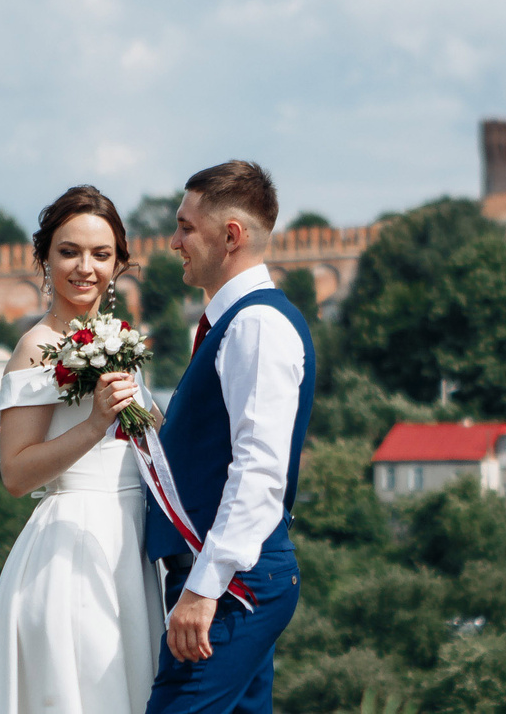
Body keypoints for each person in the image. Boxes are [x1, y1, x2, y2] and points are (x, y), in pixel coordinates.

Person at [0, 185, 156, 714]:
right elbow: (16, 474)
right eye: (69, 251)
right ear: (45, 258)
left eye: (101, 254)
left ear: (119, 263)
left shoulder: (118, 337)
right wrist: (95, 423)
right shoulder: (36, 347)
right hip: (74, 546)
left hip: (132, 541)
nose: (85, 268)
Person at [144, 161, 313, 714]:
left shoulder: (254, 325)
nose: (174, 242)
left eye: (186, 228)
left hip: (231, 583)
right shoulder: (238, 322)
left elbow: (259, 469)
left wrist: (203, 588)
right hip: (235, 577)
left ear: (231, 236)